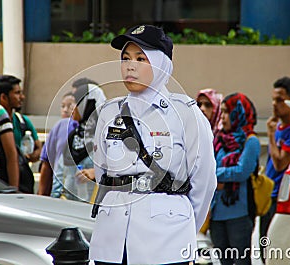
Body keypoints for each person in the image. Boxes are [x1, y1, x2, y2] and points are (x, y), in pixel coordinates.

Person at [89, 25, 216, 265]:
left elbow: (204, 181)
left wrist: (180, 222)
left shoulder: (185, 113)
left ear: (161, 64)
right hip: (111, 240)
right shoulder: (109, 112)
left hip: (165, 242)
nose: (130, 66)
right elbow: (102, 172)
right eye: (125, 58)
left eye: (141, 59)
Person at [260, 76, 290, 262]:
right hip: (268, 196)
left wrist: (271, 135)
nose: (274, 104)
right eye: (273, 99)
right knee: (263, 248)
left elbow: (281, 163)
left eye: (280, 99)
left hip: (279, 199)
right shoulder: (279, 126)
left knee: (274, 251)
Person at [209, 92, 260, 265]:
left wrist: (215, 175)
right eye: (221, 111)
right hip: (216, 213)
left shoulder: (250, 141)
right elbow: (209, 167)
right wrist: (218, 175)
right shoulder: (219, 139)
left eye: (226, 112)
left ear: (238, 114)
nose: (222, 117)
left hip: (239, 213)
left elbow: (242, 171)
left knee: (241, 261)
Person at [63, 79, 106, 201]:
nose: (72, 108)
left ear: (87, 105)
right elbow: (63, 172)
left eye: (76, 103)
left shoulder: (105, 137)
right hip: (69, 205)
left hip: (95, 207)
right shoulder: (73, 135)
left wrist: (96, 172)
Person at [0, 75, 42, 163]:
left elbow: (38, 147)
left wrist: (30, 156)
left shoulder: (22, 121)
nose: (22, 97)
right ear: (3, 98)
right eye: (17, 93)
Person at [37, 92, 77, 197]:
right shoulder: (60, 126)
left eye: (70, 106)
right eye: (63, 106)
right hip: (60, 192)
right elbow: (46, 163)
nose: (65, 110)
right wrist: (42, 195)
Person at [196, 88, 223, 235]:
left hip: (222, 206)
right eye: (199, 104)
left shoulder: (224, 137)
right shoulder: (193, 133)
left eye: (208, 105)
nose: (202, 109)